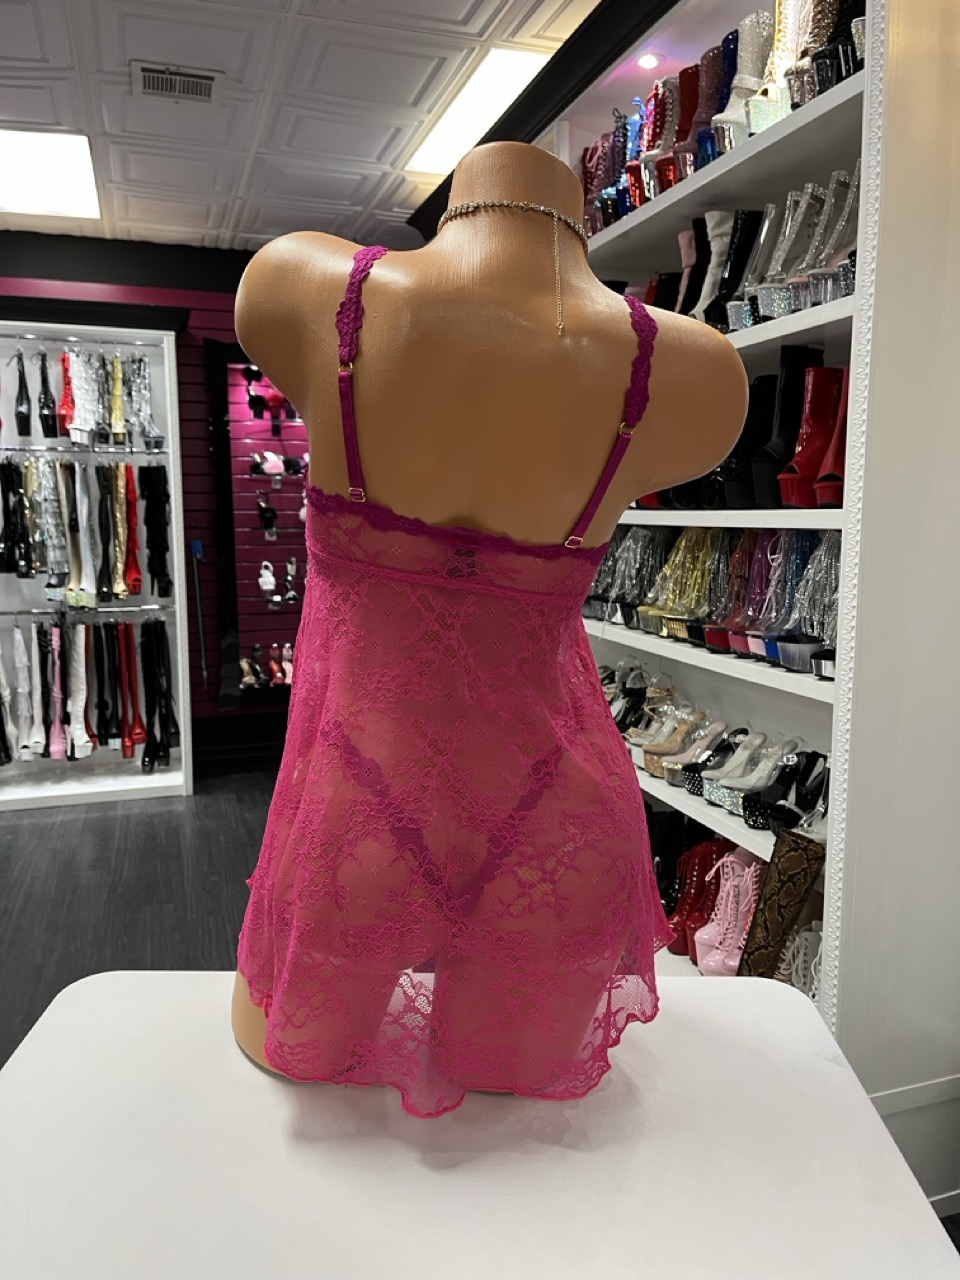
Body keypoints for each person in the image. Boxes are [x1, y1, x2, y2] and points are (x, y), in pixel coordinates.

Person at [230, 141, 747, 1117]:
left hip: (359, 806)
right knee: (507, 1150)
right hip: (556, 819)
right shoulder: (688, 365)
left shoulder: (305, 281)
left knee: (318, 1119)